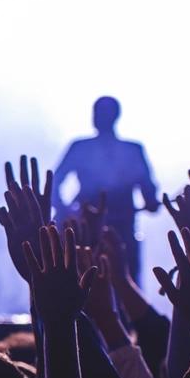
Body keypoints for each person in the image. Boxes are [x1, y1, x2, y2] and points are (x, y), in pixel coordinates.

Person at [52, 96, 158, 281]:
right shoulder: (132, 150)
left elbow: (54, 183)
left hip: (102, 233)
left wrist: (64, 210)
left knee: (88, 285)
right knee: (123, 286)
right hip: (102, 233)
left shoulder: (82, 147)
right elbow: (149, 196)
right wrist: (65, 210)